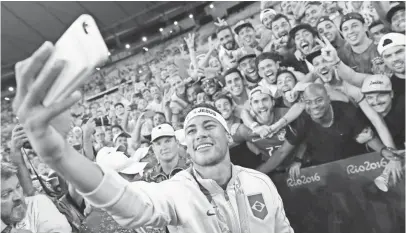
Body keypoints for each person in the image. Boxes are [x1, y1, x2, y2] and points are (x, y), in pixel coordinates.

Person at [13, 41, 294, 232]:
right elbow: (124, 199)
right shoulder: (177, 190)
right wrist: (60, 155)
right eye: (192, 130)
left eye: (209, 126)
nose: (200, 134)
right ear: (188, 144)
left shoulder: (261, 183)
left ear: (226, 133)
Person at [258, 84, 403, 180]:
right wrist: (256, 175)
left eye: (319, 100)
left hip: (356, 166)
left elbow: (367, 136)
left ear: (328, 99)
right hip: (327, 172)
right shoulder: (302, 120)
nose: (314, 106)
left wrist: (385, 151)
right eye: (308, 102)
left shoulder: (346, 111)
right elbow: (282, 152)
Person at [1, 162, 72, 233]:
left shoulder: (37, 204)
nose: (18, 196)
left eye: (18, 186)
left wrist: (6, 229)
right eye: (5, 194)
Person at [361, 75, 405, 149]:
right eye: (370, 97)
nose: (376, 101)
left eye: (381, 95)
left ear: (391, 94)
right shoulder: (362, 116)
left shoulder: (402, 106)